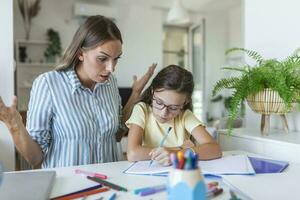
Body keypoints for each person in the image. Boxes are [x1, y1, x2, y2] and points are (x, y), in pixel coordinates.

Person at [0, 15, 156, 168]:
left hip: (110, 182)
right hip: (70, 186)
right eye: (102, 59)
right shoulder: (48, 84)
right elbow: (35, 158)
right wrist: (14, 125)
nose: (111, 68)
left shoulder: (110, 83)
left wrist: (136, 93)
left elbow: (116, 135)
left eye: (116, 59)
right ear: (80, 53)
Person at [126, 65, 222, 166]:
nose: (163, 113)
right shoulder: (142, 110)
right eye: (159, 102)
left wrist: (176, 154)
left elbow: (215, 149)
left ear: (185, 102)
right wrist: (178, 149)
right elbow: (133, 153)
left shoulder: (185, 116)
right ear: (152, 91)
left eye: (173, 108)